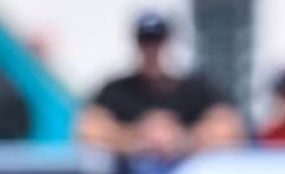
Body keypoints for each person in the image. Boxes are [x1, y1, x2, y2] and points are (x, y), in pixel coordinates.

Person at [76, 10, 243, 157]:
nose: (152, 48)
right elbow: (87, 128)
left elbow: (231, 128)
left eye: (157, 40)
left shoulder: (193, 89)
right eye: (145, 40)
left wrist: (183, 138)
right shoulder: (118, 90)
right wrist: (138, 135)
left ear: (167, 42)